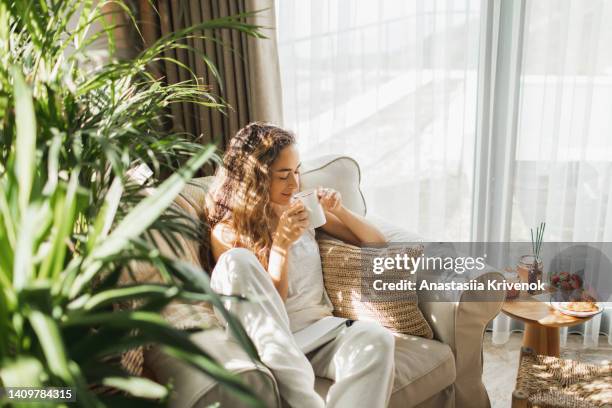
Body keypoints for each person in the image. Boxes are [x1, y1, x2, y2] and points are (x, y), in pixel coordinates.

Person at [207, 122, 395, 408]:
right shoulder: (228, 231)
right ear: (255, 178)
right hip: (274, 339)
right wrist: (281, 245)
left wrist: (340, 211)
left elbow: (377, 243)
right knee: (237, 260)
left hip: (321, 330)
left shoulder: (301, 210)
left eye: (296, 172)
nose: (294, 184)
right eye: (283, 176)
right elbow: (270, 307)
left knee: (377, 338)